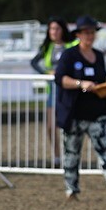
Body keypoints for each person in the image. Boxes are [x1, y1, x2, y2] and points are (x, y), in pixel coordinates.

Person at [54, 15, 106, 201]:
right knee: (71, 154)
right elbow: (60, 79)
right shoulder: (69, 55)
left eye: (92, 32)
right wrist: (80, 84)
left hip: (97, 111)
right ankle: (71, 189)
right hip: (74, 113)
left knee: (104, 149)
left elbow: (101, 83)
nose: (89, 36)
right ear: (79, 35)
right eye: (86, 32)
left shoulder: (98, 56)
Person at [30, 16, 77, 166]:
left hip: (69, 90)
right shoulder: (47, 47)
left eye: (56, 28)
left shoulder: (72, 45)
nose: (53, 32)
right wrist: (46, 73)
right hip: (54, 90)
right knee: (51, 125)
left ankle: (70, 154)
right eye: (51, 29)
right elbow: (34, 62)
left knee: (70, 125)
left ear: (62, 30)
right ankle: (57, 154)